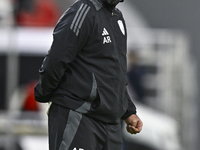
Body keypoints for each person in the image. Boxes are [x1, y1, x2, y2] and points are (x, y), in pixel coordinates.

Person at [34, 0, 143, 149]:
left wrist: (128, 111)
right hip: (80, 118)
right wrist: (45, 93)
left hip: (110, 127)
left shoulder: (117, 17)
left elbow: (114, 73)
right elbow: (57, 58)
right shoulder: (83, 11)